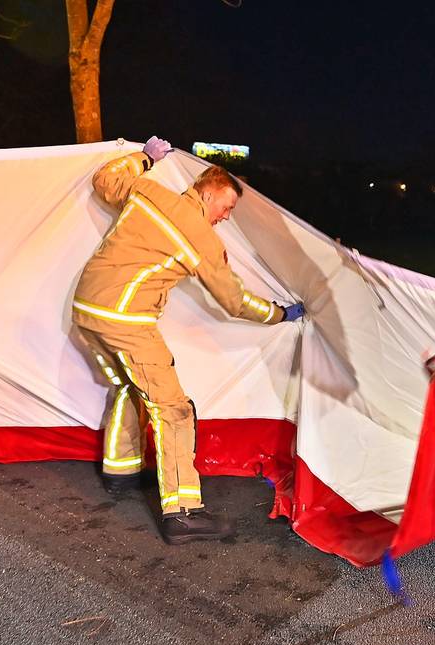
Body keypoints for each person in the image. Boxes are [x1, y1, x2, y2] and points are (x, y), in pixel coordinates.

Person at [72, 136, 304, 545]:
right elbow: (233, 300)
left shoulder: (148, 191)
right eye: (228, 207)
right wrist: (280, 313)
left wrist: (145, 156)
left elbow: (105, 179)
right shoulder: (201, 236)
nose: (226, 217)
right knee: (174, 412)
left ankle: (119, 474)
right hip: (126, 320)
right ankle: (181, 513)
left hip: (87, 312)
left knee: (126, 386)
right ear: (211, 190)